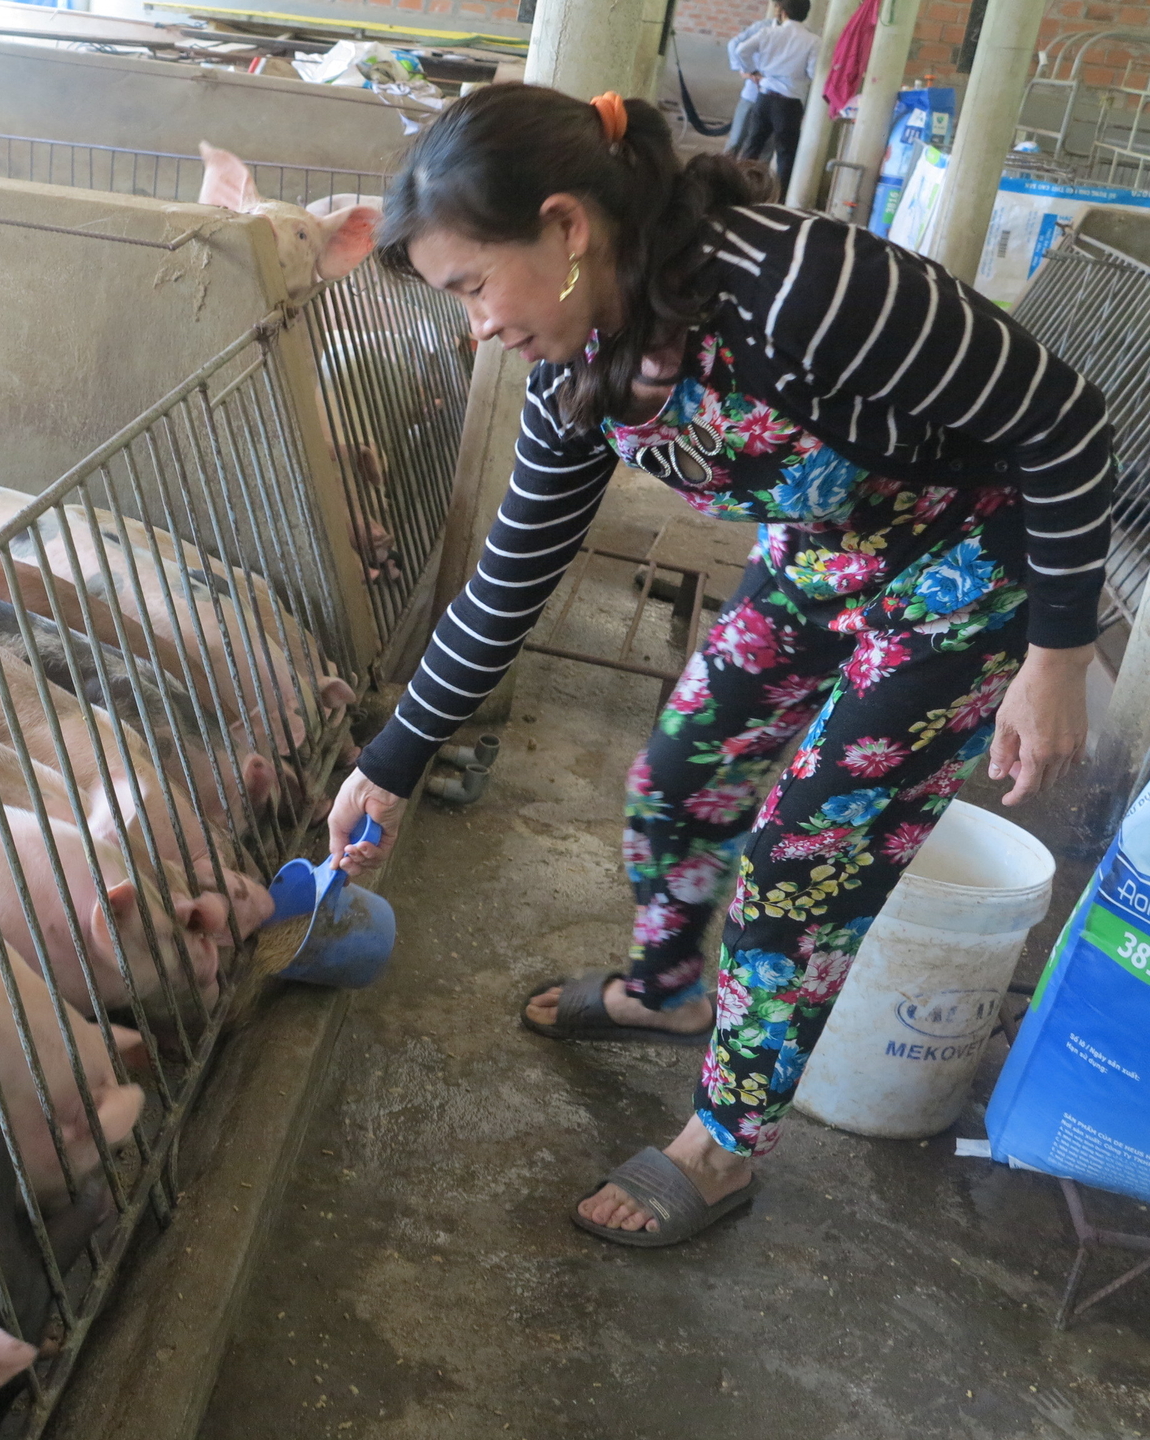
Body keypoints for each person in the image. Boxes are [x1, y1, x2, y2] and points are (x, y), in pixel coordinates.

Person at [328, 85, 1108, 1246]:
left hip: (968, 572)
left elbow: (1065, 420)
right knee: (679, 774)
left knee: (802, 865)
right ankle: (666, 988)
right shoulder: (578, 373)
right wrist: (387, 762)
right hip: (826, 553)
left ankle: (725, 1148)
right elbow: (508, 579)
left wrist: (1057, 655)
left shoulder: (802, 286)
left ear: (565, 226)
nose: (478, 324)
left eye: (473, 285)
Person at [732, 0, 818, 189]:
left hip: (764, 97)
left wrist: (752, 70)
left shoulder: (768, 32)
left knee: (752, 147)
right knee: (786, 154)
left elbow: (740, 50)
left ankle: (738, 189)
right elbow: (813, 73)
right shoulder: (812, 40)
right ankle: (778, 198)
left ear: (783, 12)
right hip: (790, 103)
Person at [725, 3, 780, 149]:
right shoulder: (763, 27)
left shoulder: (801, 35)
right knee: (736, 139)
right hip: (753, 92)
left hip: (777, 96)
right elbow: (734, 44)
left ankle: (756, 172)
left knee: (766, 146)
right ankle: (723, 170)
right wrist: (745, 70)